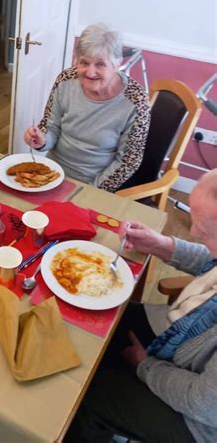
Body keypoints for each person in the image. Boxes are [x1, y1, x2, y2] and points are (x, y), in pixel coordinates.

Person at [65, 169, 217, 443]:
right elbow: (211, 262)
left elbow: (204, 404)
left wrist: (144, 366)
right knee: (93, 318)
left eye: (205, 230)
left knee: (84, 395)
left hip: (198, 422)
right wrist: (160, 245)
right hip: (178, 336)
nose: (193, 231)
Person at [24, 23, 151, 192]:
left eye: (100, 64)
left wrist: (91, 192)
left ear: (116, 64)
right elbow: (51, 126)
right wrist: (42, 140)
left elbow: (127, 162)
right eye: (84, 62)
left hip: (96, 183)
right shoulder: (66, 80)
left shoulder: (136, 101)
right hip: (51, 174)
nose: (90, 72)